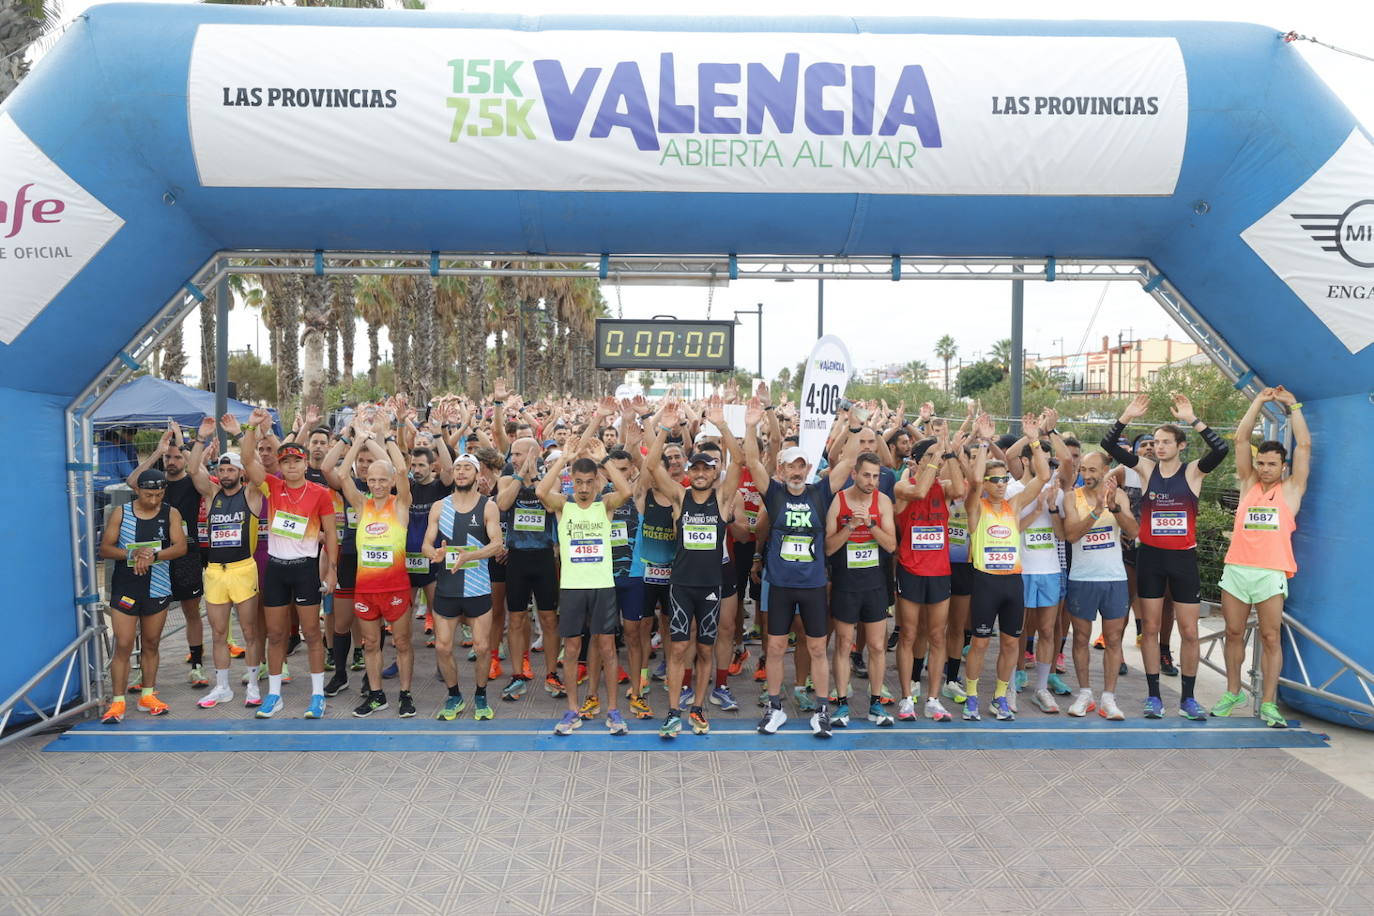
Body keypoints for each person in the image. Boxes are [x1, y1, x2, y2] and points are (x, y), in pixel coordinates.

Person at [1102, 393, 1229, 720]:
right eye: (1156, 441)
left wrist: (1192, 418)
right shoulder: (1145, 469)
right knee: (1151, 628)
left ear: (1180, 445)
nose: (1159, 447)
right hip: (1152, 560)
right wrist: (1126, 416)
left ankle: (1188, 699)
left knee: (1188, 631)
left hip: (1183, 561)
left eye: (1166, 442)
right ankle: (1154, 696)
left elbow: (1221, 449)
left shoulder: (1193, 473)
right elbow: (1109, 444)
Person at [744, 397, 856, 738]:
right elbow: (751, 460)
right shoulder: (775, 493)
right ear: (781, 470)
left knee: (818, 647)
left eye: (801, 466)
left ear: (808, 469)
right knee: (776, 647)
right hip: (779, 584)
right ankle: (774, 708)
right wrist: (750, 425)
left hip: (811, 585)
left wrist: (854, 424)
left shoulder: (820, 493)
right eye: (791, 466)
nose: (796, 471)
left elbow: (848, 460)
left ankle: (821, 709)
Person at [1214, 387, 1310, 728]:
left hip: (1270, 573)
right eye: (1262, 463)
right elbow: (1241, 441)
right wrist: (1258, 401)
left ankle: (1269, 703)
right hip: (1237, 569)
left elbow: (1306, 447)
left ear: (1282, 466)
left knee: (1270, 637)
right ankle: (1232, 692)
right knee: (1234, 631)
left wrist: (1292, 406)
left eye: (1272, 464)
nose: (1265, 468)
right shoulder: (1248, 483)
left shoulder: (1291, 489)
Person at [644, 399, 740, 738]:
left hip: (712, 587)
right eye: (695, 469)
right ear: (688, 472)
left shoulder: (724, 500)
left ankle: (697, 709)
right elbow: (652, 466)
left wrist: (722, 426)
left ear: (714, 473)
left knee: (704, 649)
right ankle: (672, 712)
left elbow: (741, 461)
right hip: (681, 585)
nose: (700, 473)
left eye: (706, 469)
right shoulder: (680, 498)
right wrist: (664, 430)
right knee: (679, 647)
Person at [240, 409, 339, 719]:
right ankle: (273, 696)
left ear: (306, 463)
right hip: (276, 569)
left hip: (306, 569)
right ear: (280, 466)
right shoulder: (272, 485)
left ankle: (318, 694)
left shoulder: (320, 493)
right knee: (276, 634)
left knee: (311, 633)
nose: (292, 465)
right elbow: (246, 460)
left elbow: (332, 535)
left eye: (297, 460)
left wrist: (332, 569)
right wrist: (252, 427)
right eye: (286, 462)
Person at [536, 436, 633, 736]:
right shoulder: (563, 506)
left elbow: (627, 490)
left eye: (589, 482)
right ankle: (572, 711)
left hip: (602, 586)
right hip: (572, 588)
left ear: (597, 482)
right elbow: (541, 490)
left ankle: (614, 711)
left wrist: (604, 460)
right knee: (573, 647)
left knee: (606, 647)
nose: (583, 488)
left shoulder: (605, 505)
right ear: (571, 481)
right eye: (578, 481)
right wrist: (563, 460)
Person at [962, 412, 1050, 721]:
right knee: (981, 642)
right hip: (986, 581)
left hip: (1013, 582)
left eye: (1003, 480)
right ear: (986, 484)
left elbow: (1042, 476)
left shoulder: (1013, 506)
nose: (1000, 484)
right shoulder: (976, 507)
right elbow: (973, 480)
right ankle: (971, 696)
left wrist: (1035, 439)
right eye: (994, 480)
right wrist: (984, 441)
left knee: (1012, 643)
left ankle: (999, 696)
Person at [337, 417, 416, 718]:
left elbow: (404, 469)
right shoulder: (361, 505)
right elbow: (342, 474)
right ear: (366, 481)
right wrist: (357, 439)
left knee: (402, 642)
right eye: (372, 480)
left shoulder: (400, 505)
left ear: (392, 481)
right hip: (366, 590)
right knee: (371, 643)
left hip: (395, 588)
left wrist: (388, 438)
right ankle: (377, 694)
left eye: (383, 480)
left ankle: (406, 695)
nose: (378, 485)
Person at [98, 469, 188, 722]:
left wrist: (153, 556)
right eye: (149, 494)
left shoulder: (171, 513)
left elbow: (181, 547)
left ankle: (147, 694)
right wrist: (132, 555)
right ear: (137, 490)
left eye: (159, 494)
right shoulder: (121, 512)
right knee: (124, 644)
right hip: (126, 588)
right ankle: (117, 702)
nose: (154, 500)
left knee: (151, 643)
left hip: (157, 588)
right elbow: (105, 548)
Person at [188, 416, 266, 708]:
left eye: (231, 468)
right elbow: (193, 470)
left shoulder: (251, 493)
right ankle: (222, 687)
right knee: (219, 632)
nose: (225, 473)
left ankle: (254, 684)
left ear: (241, 471)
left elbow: (258, 469)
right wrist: (200, 439)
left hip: (243, 569)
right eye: (221, 468)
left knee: (249, 631)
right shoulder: (212, 494)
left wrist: (241, 433)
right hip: (215, 572)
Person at [125, 424, 209, 689]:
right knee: (147, 614)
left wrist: (186, 446)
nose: (171, 461)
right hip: (154, 557)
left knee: (191, 611)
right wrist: (157, 451)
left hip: (186, 554)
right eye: (168, 457)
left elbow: (202, 477)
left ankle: (197, 665)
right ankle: (144, 671)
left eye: (176, 457)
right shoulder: (154, 482)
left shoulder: (193, 480)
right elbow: (132, 482)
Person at [892, 424, 965, 723]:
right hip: (910, 569)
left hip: (939, 572)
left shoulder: (944, 488)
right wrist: (934, 456)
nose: (937, 463)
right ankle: (907, 697)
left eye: (939, 458)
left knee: (937, 635)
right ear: (918, 461)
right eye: (931, 457)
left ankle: (933, 699)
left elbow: (960, 489)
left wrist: (948, 452)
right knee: (909, 634)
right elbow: (920, 489)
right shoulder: (903, 486)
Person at [424, 454, 505, 721]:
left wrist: (468, 556)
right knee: (442, 648)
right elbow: (426, 544)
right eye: (457, 468)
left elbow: (497, 544)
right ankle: (454, 695)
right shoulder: (439, 506)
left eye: (466, 468)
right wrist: (433, 554)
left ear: (476, 473)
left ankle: (481, 696)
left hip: (478, 588)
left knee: (482, 648)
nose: (460, 472)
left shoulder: (487, 506)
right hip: (447, 588)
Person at [1061, 452, 1139, 720]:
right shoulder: (1072, 497)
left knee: (1114, 639)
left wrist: (1114, 508)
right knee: (1081, 638)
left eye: (1093, 469)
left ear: (1106, 470)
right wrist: (1096, 512)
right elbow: (1071, 535)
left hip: (1114, 578)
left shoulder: (1119, 496)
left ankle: (1109, 698)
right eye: (1084, 469)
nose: (1088, 474)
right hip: (1082, 578)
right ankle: (1084, 694)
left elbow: (1134, 531)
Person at [826, 451, 899, 727]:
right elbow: (829, 547)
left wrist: (870, 524)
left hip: (875, 583)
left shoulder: (882, 502)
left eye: (876, 476)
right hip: (846, 583)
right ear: (854, 474)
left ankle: (876, 704)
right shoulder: (840, 500)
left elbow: (891, 545)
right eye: (866, 475)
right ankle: (842, 705)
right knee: (844, 644)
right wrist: (850, 527)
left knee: (878, 645)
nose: (871, 481)